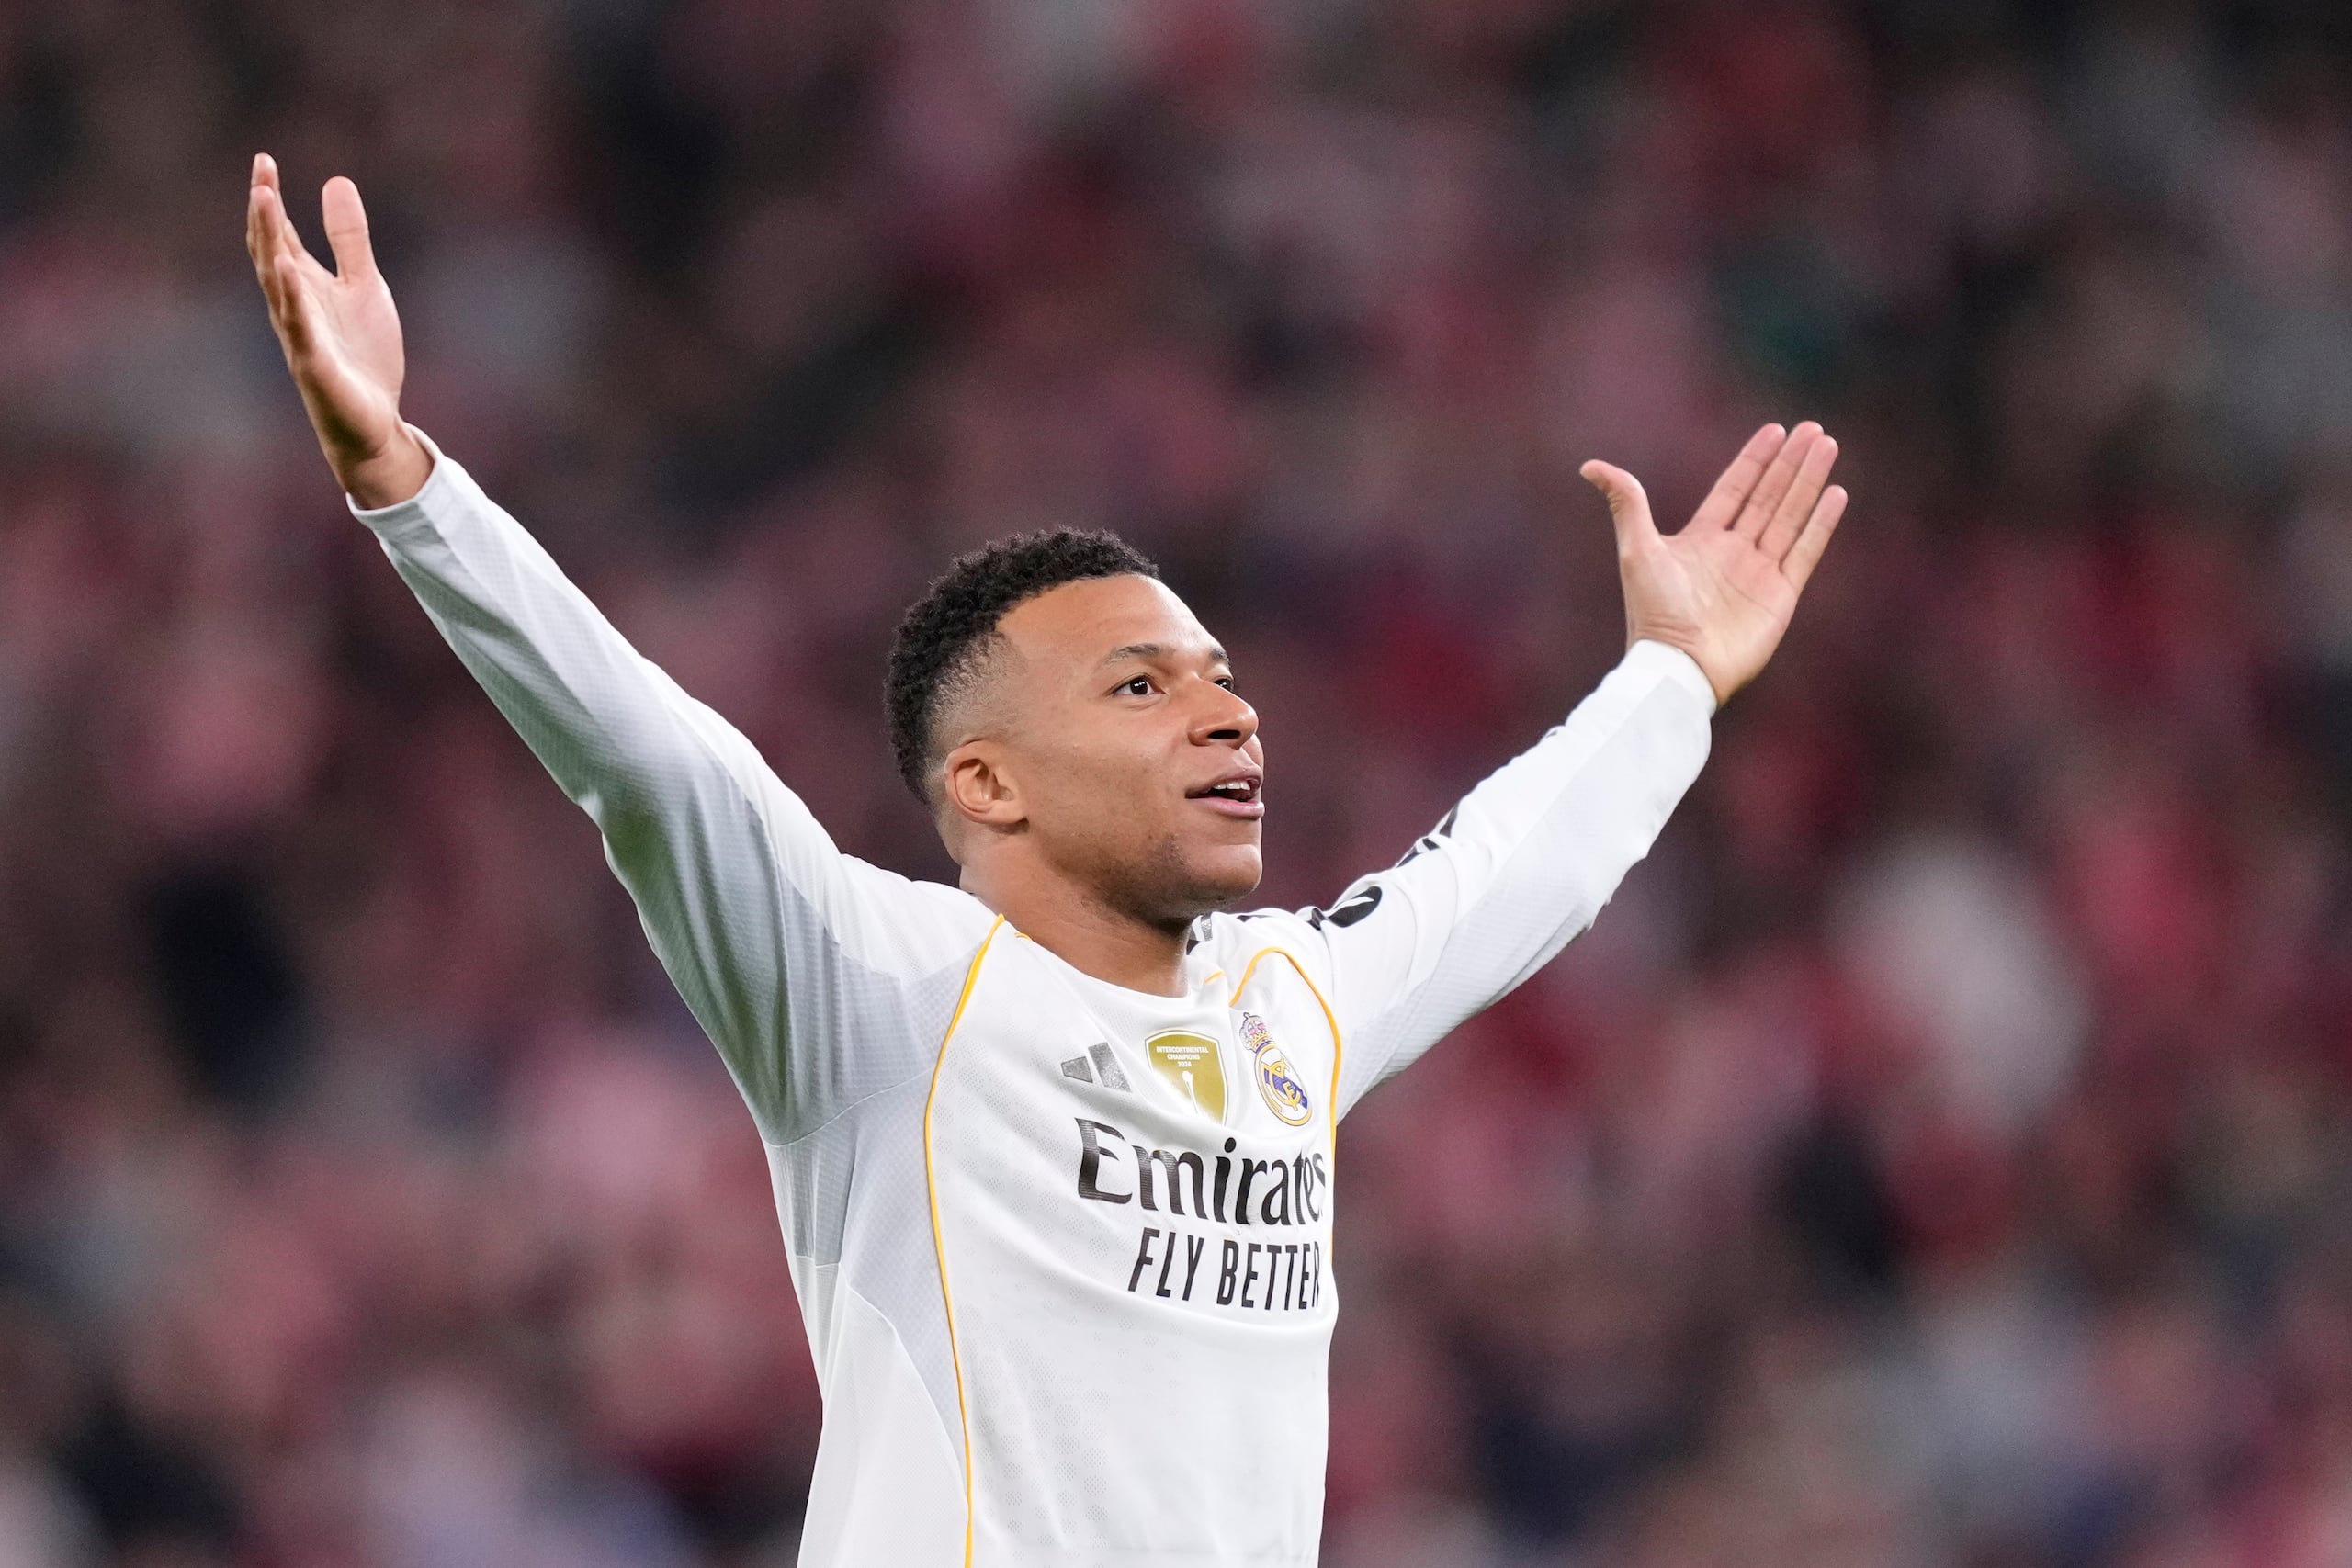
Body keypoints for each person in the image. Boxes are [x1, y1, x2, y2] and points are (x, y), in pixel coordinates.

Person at [244, 152, 1847, 1567]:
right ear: (987, 785)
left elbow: (1510, 871)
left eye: (1222, 675)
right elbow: (651, 760)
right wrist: (405, 481)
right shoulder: (883, 993)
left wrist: (1673, 674)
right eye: (1144, 685)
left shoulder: (1288, 999)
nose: (1227, 715)